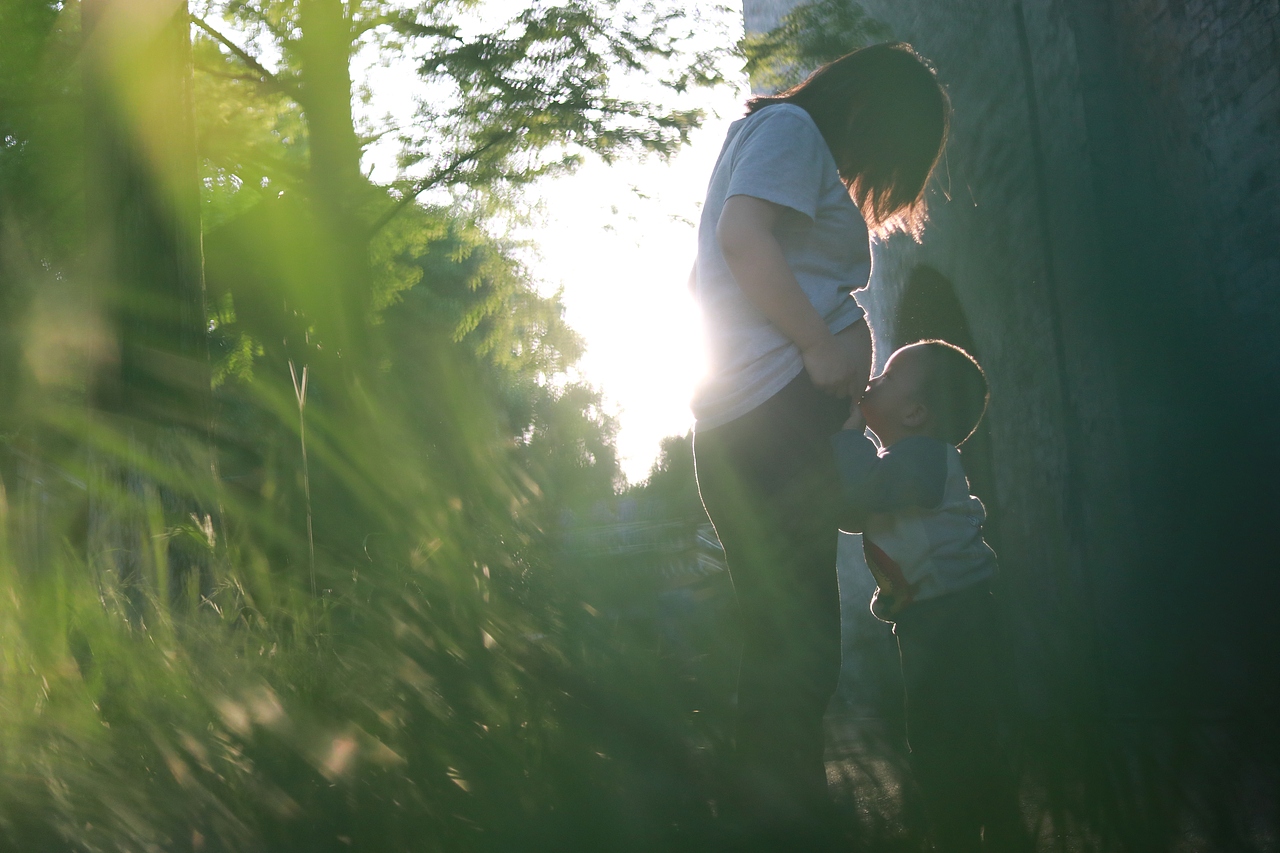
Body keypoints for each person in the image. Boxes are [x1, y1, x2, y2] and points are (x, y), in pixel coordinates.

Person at [690, 42, 949, 848]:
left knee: (785, 645)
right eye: (887, 158)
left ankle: (772, 821)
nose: (873, 178)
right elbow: (742, 239)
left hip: (766, 424)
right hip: (771, 421)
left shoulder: (779, 135)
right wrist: (819, 346)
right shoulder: (794, 131)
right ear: (869, 113)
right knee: (797, 653)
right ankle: (781, 828)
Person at [833, 341, 1029, 853]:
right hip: (931, 618)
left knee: (954, 733)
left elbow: (868, 494)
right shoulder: (895, 461)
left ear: (915, 413)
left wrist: (846, 439)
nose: (874, 379)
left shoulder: (923, 457)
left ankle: (968, 827)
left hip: (957, 618)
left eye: (890, 377)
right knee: (946, 732)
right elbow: (853, 513)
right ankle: (979, 824)